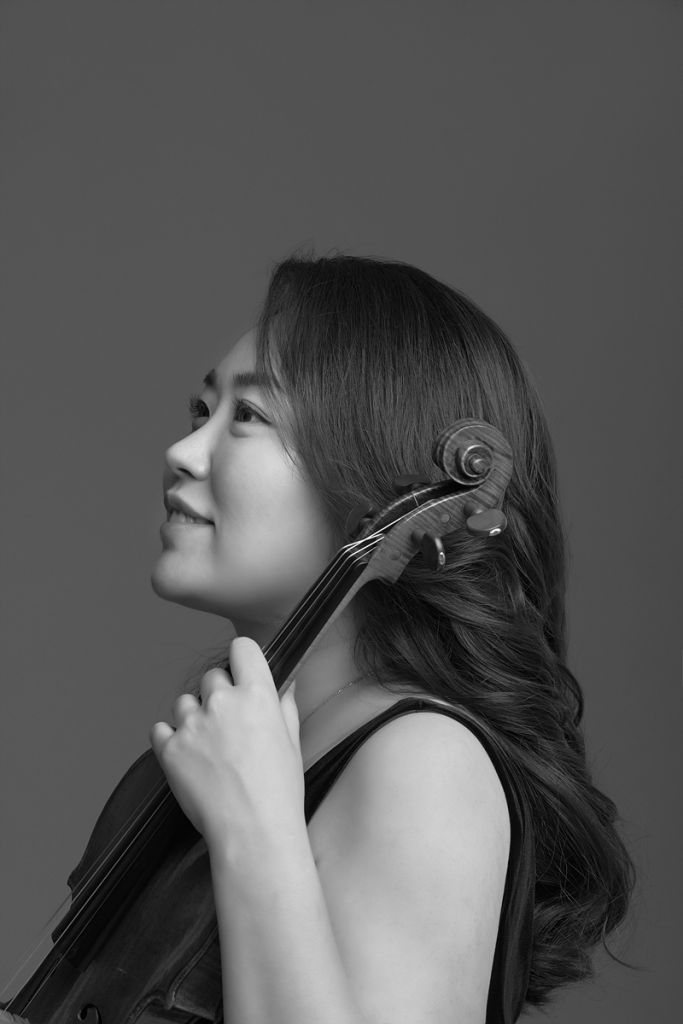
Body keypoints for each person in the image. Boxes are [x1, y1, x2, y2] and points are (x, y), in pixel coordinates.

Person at [2, 254, 636, 1024]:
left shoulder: (426, 764)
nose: (183, 452)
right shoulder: (218, 750)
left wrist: (252, 830)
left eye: (247, 416)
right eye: (201, 410)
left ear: (375, 478)